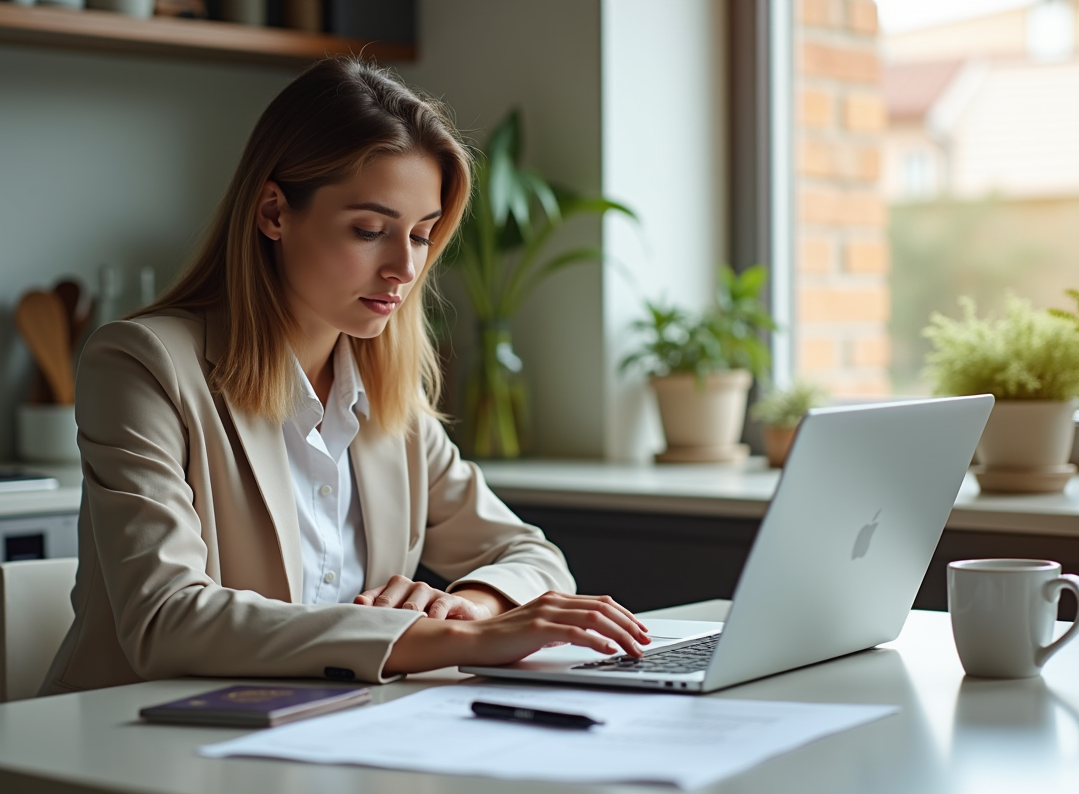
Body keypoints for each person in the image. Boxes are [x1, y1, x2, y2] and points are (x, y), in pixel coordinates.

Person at [41, 57, 649, 695]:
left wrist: (473, 605)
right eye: (369, 231)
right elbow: (166, 620)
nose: (403, 268)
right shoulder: (143, 365)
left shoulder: (387, 396)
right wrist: (456, 642)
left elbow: (531, 556)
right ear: (274, 212)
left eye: (420, 235)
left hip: (325, 735)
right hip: (138, 745)